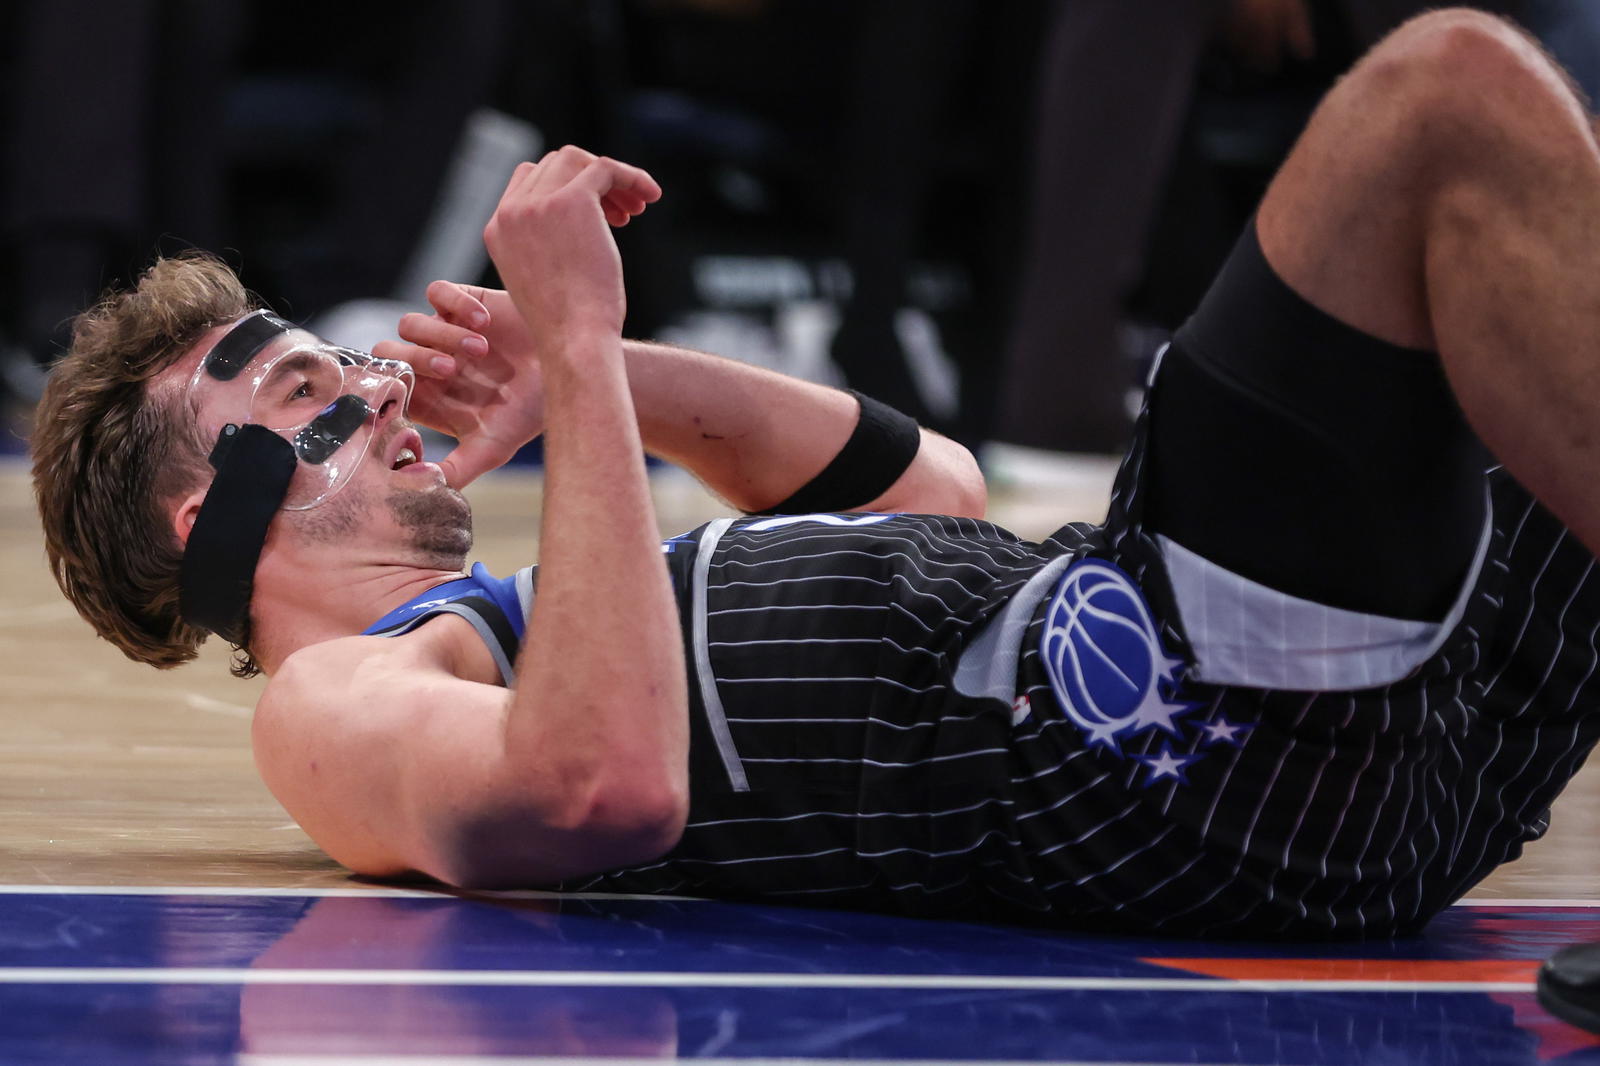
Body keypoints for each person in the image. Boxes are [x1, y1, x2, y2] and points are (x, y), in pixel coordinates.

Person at [28, 8, 1600, 937]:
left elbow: (934, 494)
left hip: (1319, 739)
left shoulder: (536, 611)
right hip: (1201, 747)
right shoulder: (337, 700)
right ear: (206, 513)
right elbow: (597, 788)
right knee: (1442, 95)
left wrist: (610, 382)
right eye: (313, 383)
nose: (376, 384)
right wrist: (577, 347)